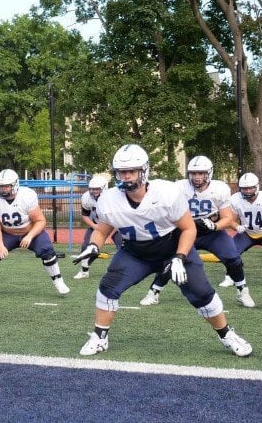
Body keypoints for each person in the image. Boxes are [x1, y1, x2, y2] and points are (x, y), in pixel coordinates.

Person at [73, 145, 251, 357]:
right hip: (135, 252)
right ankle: (100, 337)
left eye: (132, 170)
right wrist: (94, 245)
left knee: (202, 293)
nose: (126, 176)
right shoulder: (109, 199)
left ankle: (226, 334)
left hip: (172, 247)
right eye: (122, 171)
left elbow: (188, 228)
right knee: (107, 287)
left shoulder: (166, 193)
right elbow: (103, 229)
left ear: (144, 170)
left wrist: (179, 256)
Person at [139, 156, 255, 308]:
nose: (197, 177)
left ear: (209, 173)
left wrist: (214, 226)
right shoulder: (180, 187)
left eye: (201, 173)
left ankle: (242, 290)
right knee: (171, 261)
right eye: (193, 173)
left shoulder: (219, 189)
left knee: (233, 258)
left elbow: (227, 218)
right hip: (185, 231)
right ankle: (154, 291)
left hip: (211, 233)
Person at [0, 169, 70, 299]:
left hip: (30, 232)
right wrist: (1, 246)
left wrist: (30, 236)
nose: (3, 189)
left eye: (6, 186)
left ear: (15, 184)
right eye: (0, 186)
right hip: (7, 234)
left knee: (47, 250)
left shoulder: (27, 196)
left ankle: (58, 280)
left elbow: (41, 221)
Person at [72, 175, 122, 279]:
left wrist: (108, 235)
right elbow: (85, 215)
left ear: (104, 188)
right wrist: (95, 227)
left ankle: (124, 271)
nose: (94, 191)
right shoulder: (86, 197)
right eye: (92, 189)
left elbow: (119, 219)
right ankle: (84, 271)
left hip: (116, 225)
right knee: (87, 247)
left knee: (124, 248)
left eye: (97, 189)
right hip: (98, 224)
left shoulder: (113, 198)